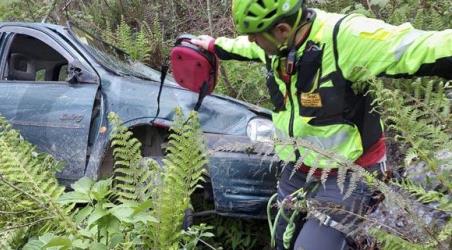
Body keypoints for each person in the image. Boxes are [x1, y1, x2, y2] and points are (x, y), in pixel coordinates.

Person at [191, 0, 452, 249]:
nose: (251, 41)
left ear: (282, 30)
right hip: (298, 169)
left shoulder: (345, 37)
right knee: (282, 240)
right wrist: (215, 45)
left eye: (254, 35)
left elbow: (417, 46)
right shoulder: (276, 44)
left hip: (350, 173)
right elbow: (246, 48)